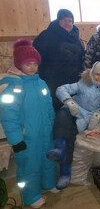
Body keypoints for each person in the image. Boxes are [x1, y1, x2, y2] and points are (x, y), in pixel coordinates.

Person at [0, 39, 57, 208]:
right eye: (28, 64)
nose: (32, 67)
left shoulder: (41, 83)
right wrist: (17, 140)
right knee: (29, 167)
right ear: (19, 65)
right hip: (27, 138)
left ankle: (48, 184)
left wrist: (51, 122)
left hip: (45, 133)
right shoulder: (13, 87)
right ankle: (31, 196)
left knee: (48, 160)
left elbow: (48, 105)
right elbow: (9, 116)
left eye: (35, 63)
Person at [46, 61, 100, 190]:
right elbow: (62, 89)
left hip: (84, 118)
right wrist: (68, 101)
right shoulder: (83, 83)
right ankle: (58, 148)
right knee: (61, 118)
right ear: (92, 73)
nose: (99, 78)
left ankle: (65, 173)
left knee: (71, 136)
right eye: (97, 74)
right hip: (72, 109)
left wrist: (99, 112)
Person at [33, 9, 84, 111]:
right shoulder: (47, 36)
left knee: (71, 107)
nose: (67, 23)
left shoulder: (76, 39)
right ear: (58, 21)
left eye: (70, 21)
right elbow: (36, 56)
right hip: (53, 80)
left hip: (73, 80)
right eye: (64, 20)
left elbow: (82, 58)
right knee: (54, 107)